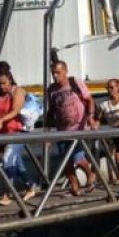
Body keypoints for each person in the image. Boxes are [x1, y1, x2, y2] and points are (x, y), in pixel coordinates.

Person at [0, 63, 32, 205]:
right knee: (17, 163)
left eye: (3, 83)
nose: (1, 87)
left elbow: (16, 110)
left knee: (7, 159)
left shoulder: (18, 91)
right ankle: (31, 186)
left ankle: (7, 194)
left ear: (10, 79)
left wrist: (2, 120)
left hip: (16, 132)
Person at [47, 59, 98, 196]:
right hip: (62, 129)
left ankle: (90, 174)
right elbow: (51, 111)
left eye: (58, 72)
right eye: (53, 73)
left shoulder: (75, 82)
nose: (55, 76)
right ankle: (75, 185)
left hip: (78, 128)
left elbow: (89, 100)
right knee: (66, 161)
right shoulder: (51, 89)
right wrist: (47, 131)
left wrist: (90, 117)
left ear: (65, 71)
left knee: (78, 158)